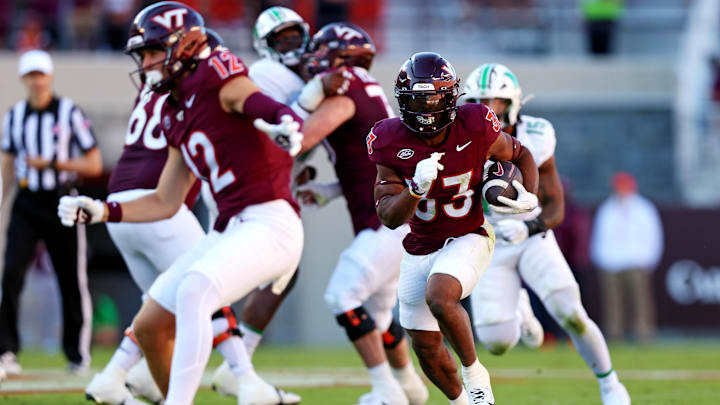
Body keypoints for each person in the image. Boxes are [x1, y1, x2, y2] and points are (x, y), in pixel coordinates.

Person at [57, 2, 304, 404]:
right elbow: (165, 200)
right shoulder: (173, 109)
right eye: (144, 55)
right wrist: (103, 210)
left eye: (154, 52)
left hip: (270, 220)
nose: (147, 63)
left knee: (194, 291)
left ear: (185, 46)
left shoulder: (212, 72)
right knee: (151, 324)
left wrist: (283, 117)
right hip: (229, 229)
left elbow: (247, 96)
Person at [370, 52, 539, 405]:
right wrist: (415, 190)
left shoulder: (475, 123)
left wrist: (529, 195)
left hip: (469, 234)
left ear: (451, 97)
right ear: (403, 102)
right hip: (419, 245)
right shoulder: (388, 139)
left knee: (440, 295)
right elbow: (388, 217)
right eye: (418, 99)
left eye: (434, 97)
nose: (427, 107)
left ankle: (476, 377)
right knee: (426, 348)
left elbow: (520, 154)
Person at [463, 63, 631, 405]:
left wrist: (528, 226)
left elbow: (556, 205)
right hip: (486, 241)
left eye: (493, 101)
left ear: (512, 103)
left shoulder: (536, 134)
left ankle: (610, 383)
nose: (486, 110)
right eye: (478, 102)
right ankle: (521, 309)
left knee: (572, 313)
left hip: (530, 235)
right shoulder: (459, 139)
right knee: (496, 341)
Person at [292, 22, 428, 405]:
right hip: (397, 218)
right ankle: (411, 388)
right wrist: (331, 190)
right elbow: (368, 167)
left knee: (341, 296)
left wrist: (295, 112)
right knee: (379, 317)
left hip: (388, 223)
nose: (315, 61)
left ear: (341, 58)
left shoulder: (346, 91)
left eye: (322, 53)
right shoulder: (369, 90)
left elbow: (299, 139)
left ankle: (386, 390)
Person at [0, 49, 102, 376]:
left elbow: (95, 163)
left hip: (62, 200)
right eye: (31, 76)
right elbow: (6, 165)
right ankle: (6, 352)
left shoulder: (69, 112)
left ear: (50, 77)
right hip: (27, 201)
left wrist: (54, 164)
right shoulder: (14, 116)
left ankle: (77, 354)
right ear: (24, 79)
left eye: (40, 75)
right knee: (12, 274)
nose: (36, 82)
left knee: (71, 278)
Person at [591, 172, 663, 343]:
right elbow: (599, 236)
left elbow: (653, 236)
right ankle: (615, 334)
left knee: (640, 301)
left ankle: (643, 333)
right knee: (613, 303)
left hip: (636, 262)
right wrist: (601, 260)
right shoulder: (607, 209)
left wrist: (648, 260)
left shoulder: (644, 209)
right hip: (611, 264)